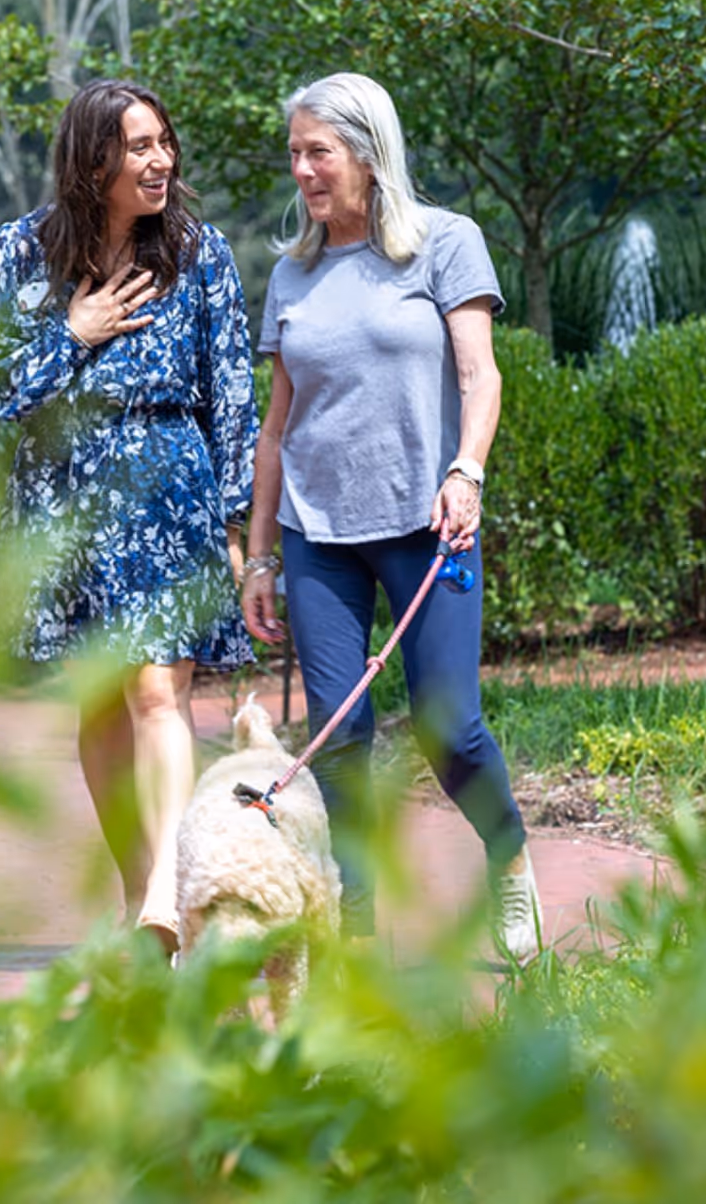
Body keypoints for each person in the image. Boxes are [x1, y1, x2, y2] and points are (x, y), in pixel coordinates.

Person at [240, 72, 542, 963]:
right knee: (339, 732)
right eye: (294, 154)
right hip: (317, 534)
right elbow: (275, 424)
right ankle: (358, 926)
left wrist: (468, 472)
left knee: (449, 723)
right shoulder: (294, 275)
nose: (302, 170)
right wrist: (260, 558)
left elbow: (480, 376)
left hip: (428, 520)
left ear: (369, 154)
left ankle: (510, 856)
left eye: (318, 152)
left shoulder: (445, 244)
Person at [0, 79, 257, 955]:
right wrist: (76, 333)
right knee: (99, 704)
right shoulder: (19, 254)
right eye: (139, 146)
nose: (161, 159)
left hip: (168, 485)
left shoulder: (198, 254)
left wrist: (238, 525)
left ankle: (166, 887)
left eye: (164, 142)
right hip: (61, 498)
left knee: (156, 693)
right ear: (92, 161)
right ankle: (148, 901)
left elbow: (233, 389)